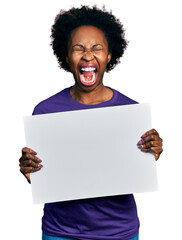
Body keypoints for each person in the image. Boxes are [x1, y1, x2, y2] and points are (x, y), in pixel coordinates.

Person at [19, 5, 163, 240]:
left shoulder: (130, 112)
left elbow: (138, 167)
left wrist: (152, 151)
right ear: (66, 56)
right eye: (78, 48)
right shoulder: (45, 111)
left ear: (109, 55)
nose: (87, 55)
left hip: (119, 232)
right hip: (60, 232)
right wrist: (30, 169)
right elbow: (43, 176)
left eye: (97, 48)